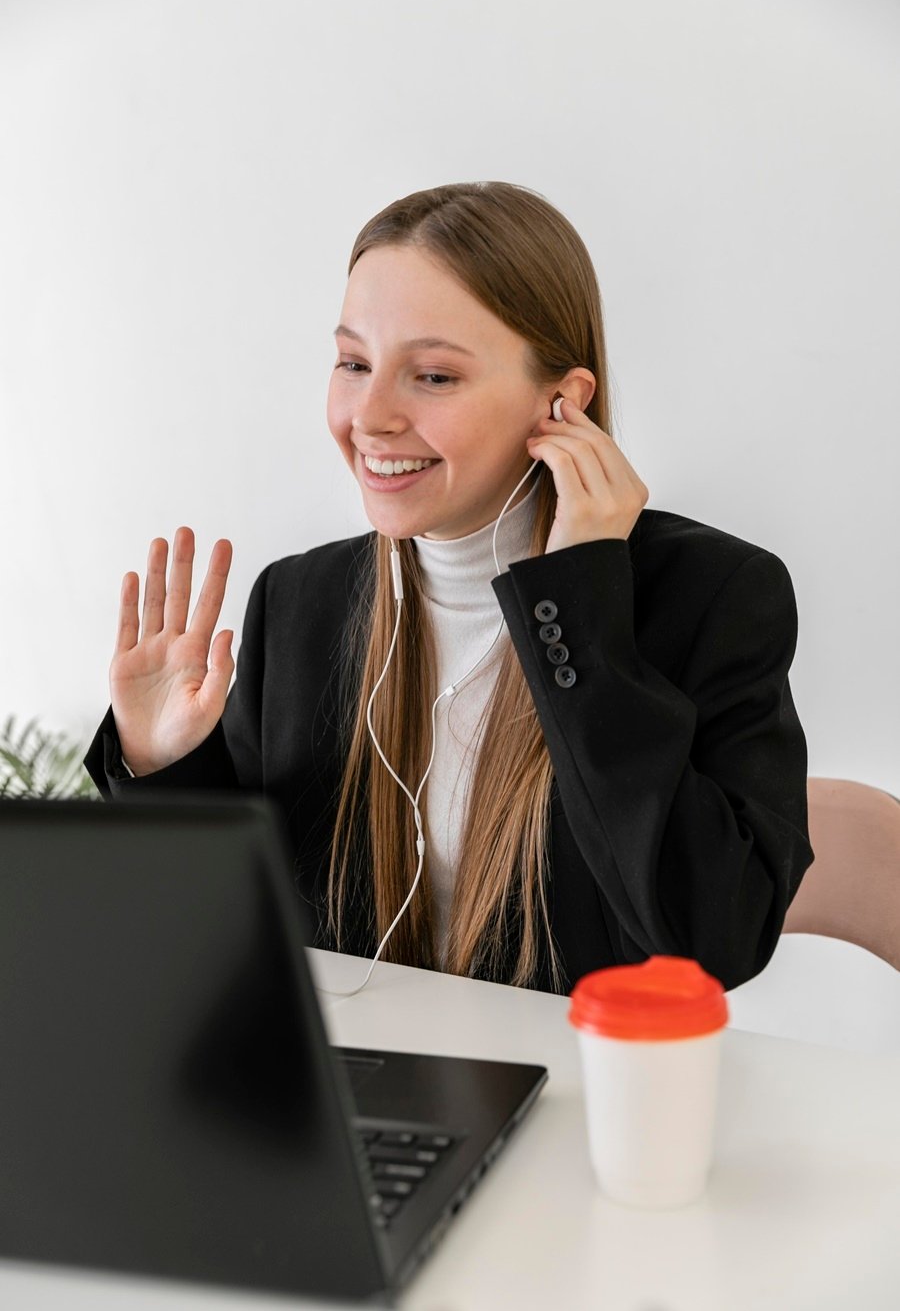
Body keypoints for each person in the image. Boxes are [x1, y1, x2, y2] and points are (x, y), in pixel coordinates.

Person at [84, 180, 814, 994]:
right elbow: (231, 943)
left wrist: (578, 614)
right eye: (354, 363)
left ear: (562, 403)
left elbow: (718, 937)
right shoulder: (300, 603)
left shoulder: (714, 595)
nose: (371, 416)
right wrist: (164, 763)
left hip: (591, 1101)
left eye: (432, 376)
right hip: (355, 1100)